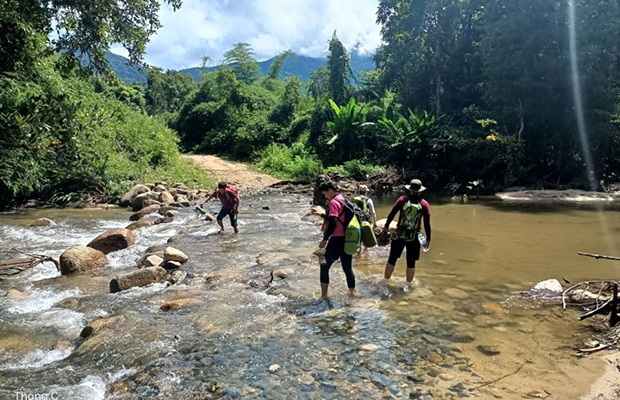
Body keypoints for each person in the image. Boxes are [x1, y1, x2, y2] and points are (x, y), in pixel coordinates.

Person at [383, 179, 431, 284]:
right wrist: (428, 240)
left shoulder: (402, 200)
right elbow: (427, 224)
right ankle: (409, 285)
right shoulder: (424, 204)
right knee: (411, 262)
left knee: (392, 258)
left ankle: (385, 281)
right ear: (420, 191)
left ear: (410, 190)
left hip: (400, 233)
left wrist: (386, 227)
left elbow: (392, 214)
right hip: (414, 236)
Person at [318, 181, 356, 298]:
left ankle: (324, 296)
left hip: (336, 240)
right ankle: (352, 294)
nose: (325, 196)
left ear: (329, 190)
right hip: (348, 239)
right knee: (347, 268)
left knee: (324, 266)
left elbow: (333, 221)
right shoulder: (343, 199)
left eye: (325, 193)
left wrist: (325, 239)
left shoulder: (334, 202)